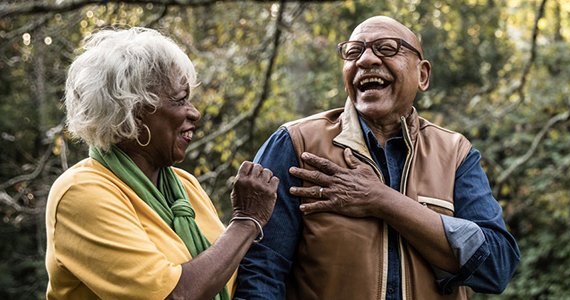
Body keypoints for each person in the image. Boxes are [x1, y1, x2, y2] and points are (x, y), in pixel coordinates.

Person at [234, 16, 520, 299]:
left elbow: (497, 267)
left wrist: (381, 200)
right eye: (353, 51)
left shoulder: (456, 153)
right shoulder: (296, 144)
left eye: (386, 48)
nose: (365, 60)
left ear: (422, 74)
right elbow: (260, 272)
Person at [45, 27, 279, 300]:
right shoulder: (81, 194)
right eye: (180, 100)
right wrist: (245, 222)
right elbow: (175, 295)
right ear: (133, 115)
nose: (195, 113)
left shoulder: (185, 186)